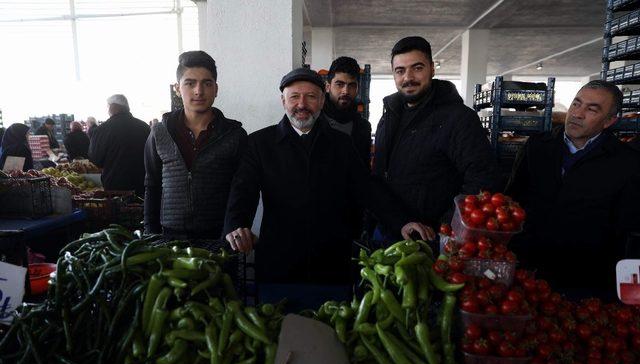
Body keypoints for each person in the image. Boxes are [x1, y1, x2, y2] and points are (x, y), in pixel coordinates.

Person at [223, 67, 433, 289]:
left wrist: (401, 221)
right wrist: (236, 224)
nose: (302, 104)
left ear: (322, 101)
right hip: (279, 262)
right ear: (283, 101)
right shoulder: (260, 143)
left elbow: (367, 188)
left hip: (331, 262)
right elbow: (242, 190)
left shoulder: (340, 143)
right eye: (294, 97)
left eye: (311, 96)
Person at [507, 80, 640, 301]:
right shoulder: (538, 147)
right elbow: (512, 200)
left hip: (586, 284)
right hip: (529, 273)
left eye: (591, 109)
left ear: (609, 121)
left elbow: (627, 229)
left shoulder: (627, 164)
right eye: (576, 104)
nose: (577, 114)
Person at [373, 36, 499, 239]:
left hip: (430, 238)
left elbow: (482, 178)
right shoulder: (388, 118)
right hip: (390, 228)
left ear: (432, 68)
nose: (408, 77)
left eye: (417, 67)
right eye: (400, 70)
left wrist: (446, 227)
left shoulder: (459, 118)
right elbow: (379, 176)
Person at [144, 51, 247, 239]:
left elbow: (241, 190)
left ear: (216, 88)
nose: (199, 91)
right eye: (190, 83)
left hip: (220, 236)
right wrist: (151, 235)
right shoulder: (159, 133)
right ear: (177, 88)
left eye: (207, 83)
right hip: (170, 238)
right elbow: (152, 184)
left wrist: (234, 227)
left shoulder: (234, 135)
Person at [89, 94, 150, 196]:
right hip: (142, 184)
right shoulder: (144, 127)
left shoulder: (101, 130)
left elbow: (96, 159)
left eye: (107, 107)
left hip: (115, 186)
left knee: (116, 211)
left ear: (113, 106)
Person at [323, 56, 372, 167]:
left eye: (351, 85)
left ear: (357, 88)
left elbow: (364, 170)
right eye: (339, 84)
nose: (345, 91)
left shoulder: (363, 127)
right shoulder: (313, 120)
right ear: (327, 87)